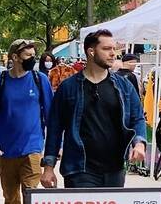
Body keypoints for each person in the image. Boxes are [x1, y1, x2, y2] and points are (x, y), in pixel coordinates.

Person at [41, 29, 146, 188]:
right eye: (106, 49)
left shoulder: (124, 86)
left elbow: (137, 118)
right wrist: (48, 167)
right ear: (91, 51)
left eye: (113, 49)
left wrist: (139, 143)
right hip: (79, 169)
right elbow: (55, 128)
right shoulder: (68, 88)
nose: (113, 54)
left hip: (115, 168)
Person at [0, 39, 53, 204]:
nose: (32, 59)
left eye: (34, 55)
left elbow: (51, 114)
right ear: (15, 57)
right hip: (5, 150)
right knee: (10, 197)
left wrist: (56, 145)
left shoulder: (40, 79)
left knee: (31, 193)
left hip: (32, 148)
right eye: (28, 55)